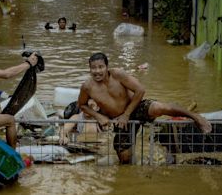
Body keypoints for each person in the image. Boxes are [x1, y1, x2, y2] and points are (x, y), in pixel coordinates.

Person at [78, 52, 212, 163]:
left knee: (159, 108)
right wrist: (98, 115)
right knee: (123, 156)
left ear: (107, 67)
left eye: (100, 67)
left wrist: (127, 114)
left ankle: (196, 117)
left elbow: (140, 90)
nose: (97, 71)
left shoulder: (117, 74)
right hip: (120, 121)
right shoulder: (87, 87)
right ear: (89, 69)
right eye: (93, 68)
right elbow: (81, 105)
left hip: (135, 108)